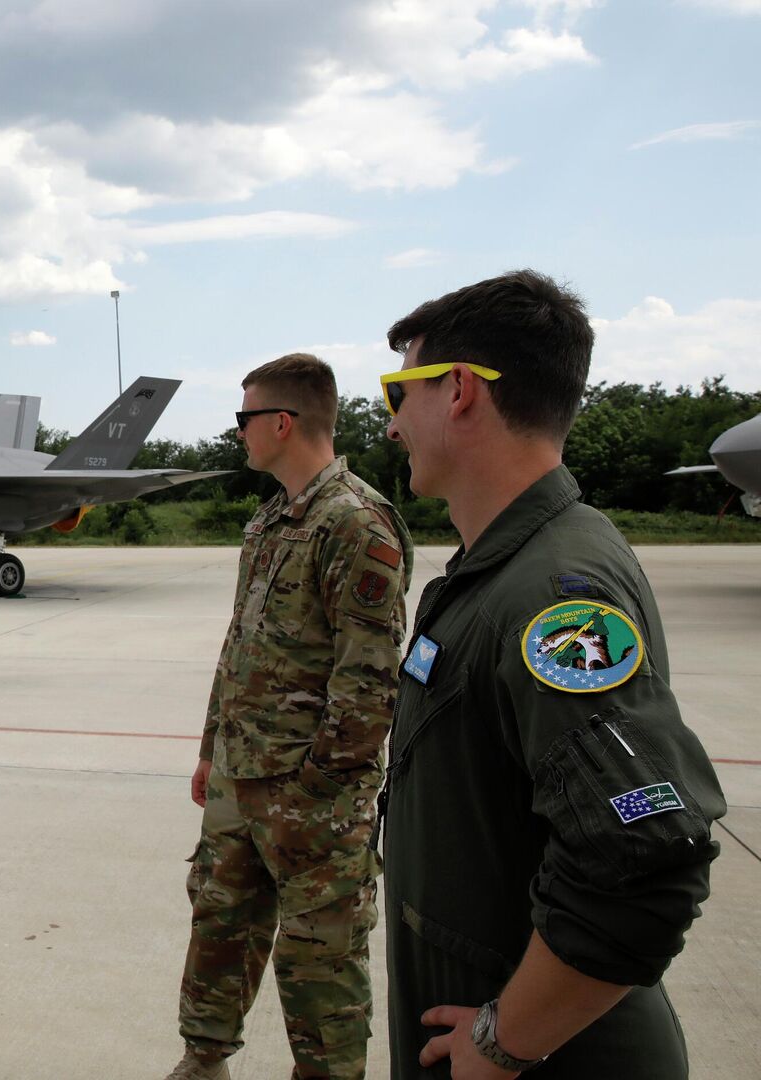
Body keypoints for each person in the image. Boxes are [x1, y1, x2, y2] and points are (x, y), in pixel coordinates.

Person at [377, 270, 724, 1077]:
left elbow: (645, 856)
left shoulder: (552, 595)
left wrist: (507, 1039)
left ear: (460, 390)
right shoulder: (511, 565)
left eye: (399, 390)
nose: (392, 425)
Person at [167, 353, 412, 1080]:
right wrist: (214, 749)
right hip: (240, 781)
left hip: (312, 800)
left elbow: (368, 681)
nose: (239, 432)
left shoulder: (355, 522)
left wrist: (312, 793)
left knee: (320, 961)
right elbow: (239, 644)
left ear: (281, 422)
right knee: (219, 927)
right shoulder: (270, 520)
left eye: (244, 418)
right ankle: (203, 1060)